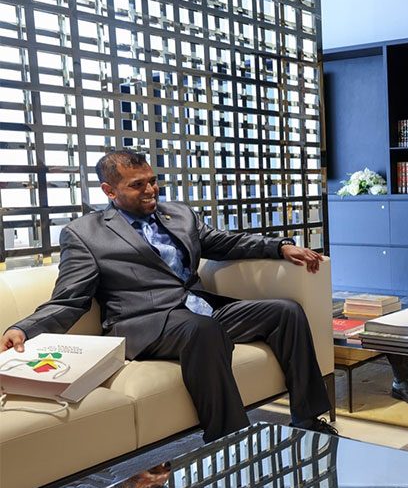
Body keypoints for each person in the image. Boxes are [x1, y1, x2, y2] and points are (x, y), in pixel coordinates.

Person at [0, 151, 336, 442]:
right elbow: (70, 299)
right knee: (202, 331)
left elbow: (223, 242)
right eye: (137, 185)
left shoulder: (178, 214)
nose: (150, 190)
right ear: (109, 191)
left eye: (152, 180)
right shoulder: (85, 234)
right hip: (144, 324)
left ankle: (308, 420)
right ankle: (229, 437)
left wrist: (278, 246)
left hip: (198, 309)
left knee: (285, 311)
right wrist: (24, 329)